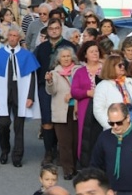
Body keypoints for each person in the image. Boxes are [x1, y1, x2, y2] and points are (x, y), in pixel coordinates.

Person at [0, 26, 40, 167]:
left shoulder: (27, 55)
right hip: (3, 93)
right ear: (7, 37)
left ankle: (17, 156)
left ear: (19, 38)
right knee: (3, 124)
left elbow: (32, 77)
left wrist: (30, 96)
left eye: (15, 35)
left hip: (20, 93)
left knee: (19, 127)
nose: (13, 38)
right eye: (10, 35)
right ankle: (5, 150)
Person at [33, 18, 76, 165]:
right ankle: (48, 152)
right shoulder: (41, 47)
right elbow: (36, 69)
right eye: (51, 28)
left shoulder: (69, 46)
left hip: (64, 87)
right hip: (44, 87)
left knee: (62, 120)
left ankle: (60, 150)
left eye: (57, 28)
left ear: (61, 29)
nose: (54, 31)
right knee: (47, 121)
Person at [45, 47, 80, 180]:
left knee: (76, 141)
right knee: (64, 142)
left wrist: (73, 94)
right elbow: (51, 91)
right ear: (59, 59)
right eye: (63, 56)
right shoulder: (55, 73)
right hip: (61, 111)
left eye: (68, 56)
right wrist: (49, 81)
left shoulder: (78, 71)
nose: (66, 59)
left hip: (76, 109)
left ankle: (75, 167)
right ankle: (68, 169)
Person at [71, 41, 104, 166]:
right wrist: (88, 93)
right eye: (92, 51)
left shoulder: (105, 68)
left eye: (96, 51)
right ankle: (86, 163)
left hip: (104, 106)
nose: (95, 53)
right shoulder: (80, 72)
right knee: (86, 135)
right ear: (85, 55)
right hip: (86, 107)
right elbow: (74, 91)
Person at [93, 55, 132, 130]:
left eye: (123, 64)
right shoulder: (102, 86)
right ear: (111, 67)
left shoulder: (129, 81)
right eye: (120, 65)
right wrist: (112, 127)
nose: (123, 67)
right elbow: (98, 111)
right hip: (116, 130)